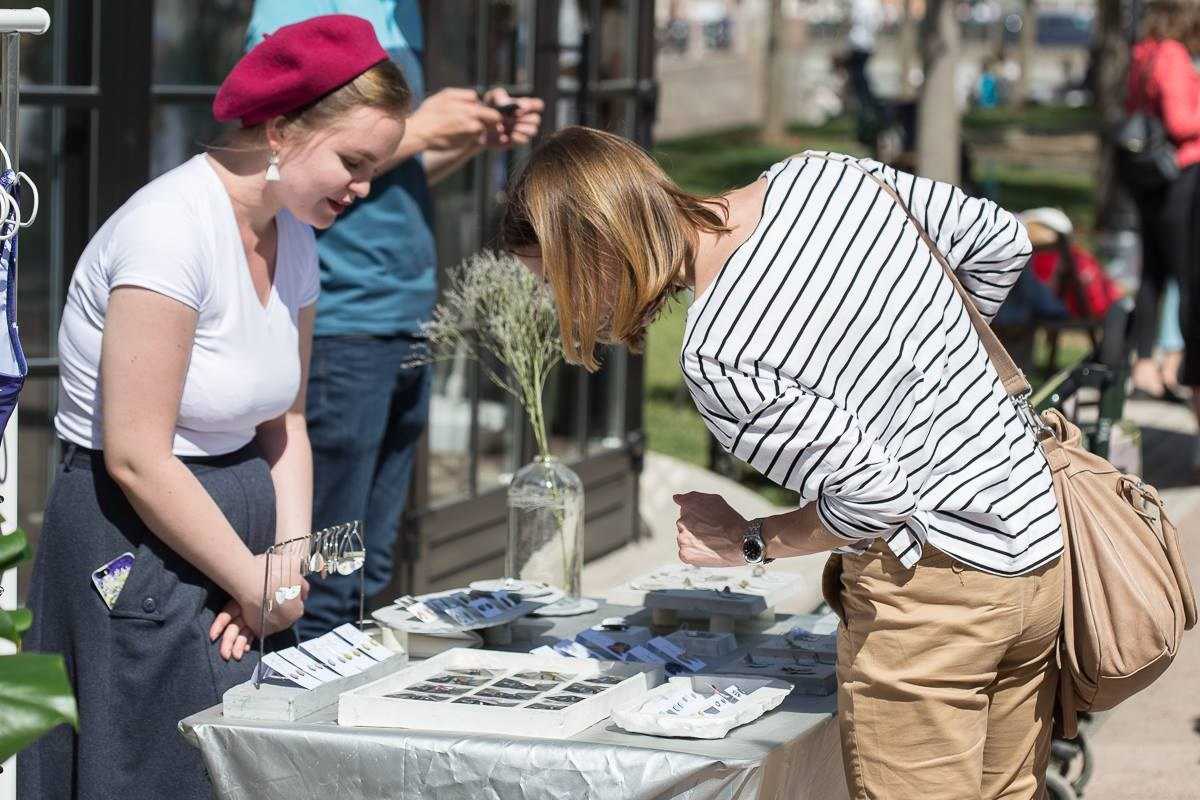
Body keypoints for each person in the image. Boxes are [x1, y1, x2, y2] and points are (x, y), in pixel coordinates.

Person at [502, 126, 1063, 800]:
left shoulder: (720, 353)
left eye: (554, 281)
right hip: (1039, 547)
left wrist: (747, 540)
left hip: (936, 598)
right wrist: (930, 369)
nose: (558, 304)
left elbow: (871, 504)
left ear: (596, 245)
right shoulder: (819, 174)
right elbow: (1002, 240)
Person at [18, 16, 411, 800]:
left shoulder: (293, 236)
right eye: (353, 162)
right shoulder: (169, 233)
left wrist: (287, 570)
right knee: (146, 774)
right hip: (136, 545)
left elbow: (286, 421)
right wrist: (254, 580)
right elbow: (136, 455)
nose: (364, 188)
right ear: (280, 130)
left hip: (245, 563)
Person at [245, 1, 543, 639]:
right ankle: (301, 708)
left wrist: (465, 139)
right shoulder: (299, 8)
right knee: (327, 565)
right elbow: (290, 152)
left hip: (404, 317)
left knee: (370, 557)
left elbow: (379, 172)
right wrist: (428, 125)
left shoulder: (400, 14)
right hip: (341, 322)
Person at [1125, 2, 1200, 428]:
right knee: (1186, 276)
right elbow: (1180, 121)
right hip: (1179, 176)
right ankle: (1178, 366)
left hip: (1148, 180)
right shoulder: (1171, 53)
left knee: (1152, 274)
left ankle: (1147, 364)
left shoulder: (1144, 51)